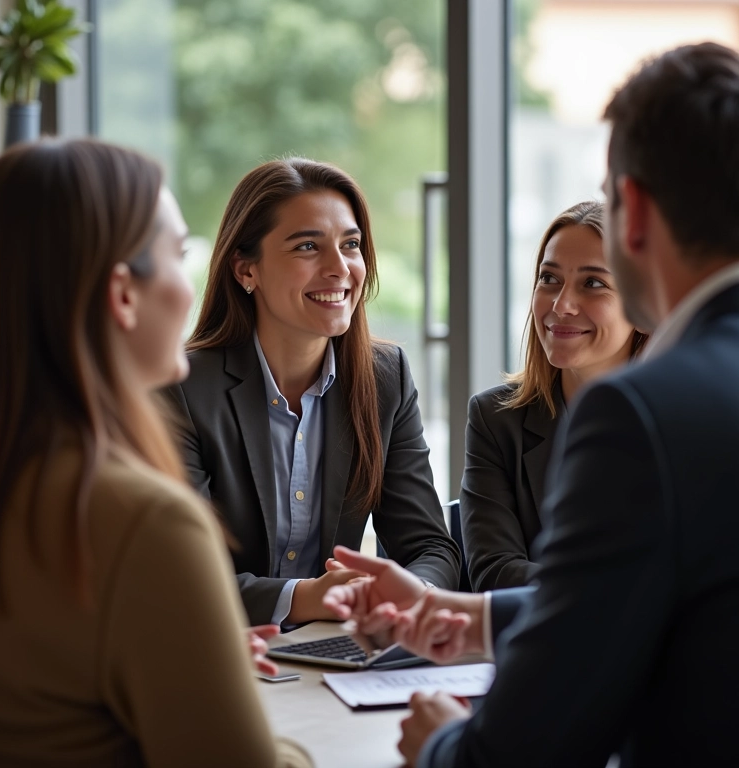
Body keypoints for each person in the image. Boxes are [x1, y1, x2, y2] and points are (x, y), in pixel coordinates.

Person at [323, 41, 739, 768]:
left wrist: (441, 747)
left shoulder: (641, 416)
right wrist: (467, 616)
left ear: (632, 209)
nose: (563, 305)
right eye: (550, 280)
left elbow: (529, 744)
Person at [0, 139, 311, 768]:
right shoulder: (143, 522)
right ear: (124, 293)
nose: (190, 288)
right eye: (179, 256)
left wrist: (187, 660)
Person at [166, 157, 460, 627]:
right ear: (246, 270)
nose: (339, 268)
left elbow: (431, 547)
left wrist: (406, 595)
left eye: (351, 245)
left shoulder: (386, 378)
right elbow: (179, 575)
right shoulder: (181, 389)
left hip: (339, 649)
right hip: (224, 648)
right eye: (307, 246)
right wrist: (305, 598)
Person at [462, 201, 647, 591]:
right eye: (549, 279)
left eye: (593, 283)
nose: (561, 305)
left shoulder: (683, 419)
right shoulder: (495, 418)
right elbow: (495, 572)